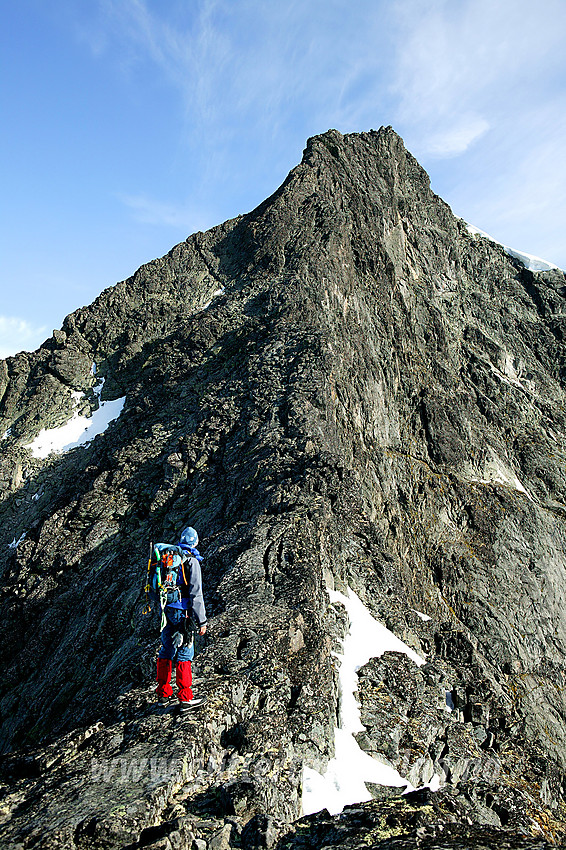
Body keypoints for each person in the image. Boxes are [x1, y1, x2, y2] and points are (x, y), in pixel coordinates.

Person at [154, 525, 207, 713]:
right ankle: (185, 698)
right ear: (195, 542)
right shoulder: (191, 561)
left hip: (166, 610)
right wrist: (202, 621)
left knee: (166, 649)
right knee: (185, 652)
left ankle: (163, 693)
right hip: (183, 613)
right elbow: (196, 594)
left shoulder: (167, 558)